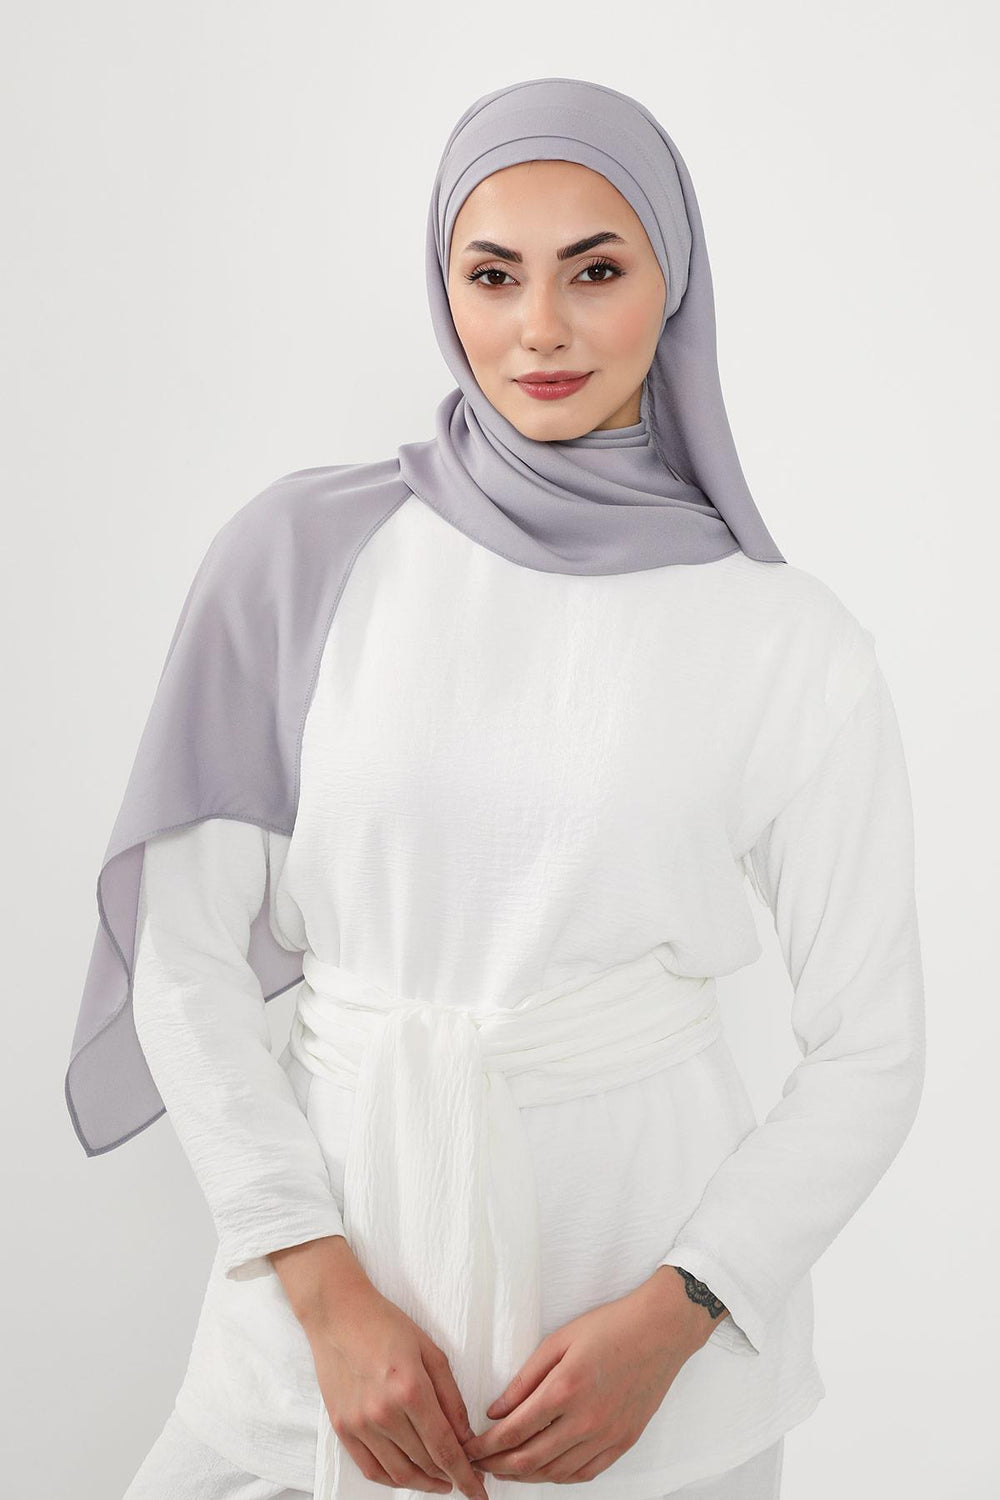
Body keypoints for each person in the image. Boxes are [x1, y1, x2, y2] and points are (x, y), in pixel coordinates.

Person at [66, 77, 926, 1500]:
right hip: (317, 1319)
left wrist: (680, 1316)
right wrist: (326, 1295)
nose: (539, 328)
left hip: (640, 1355)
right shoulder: (303, 555)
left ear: (673, 281)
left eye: (595, 271)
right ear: (442, 286)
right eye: (492, 275)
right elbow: (184, 951)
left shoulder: (789, 641)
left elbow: (872, 1050)